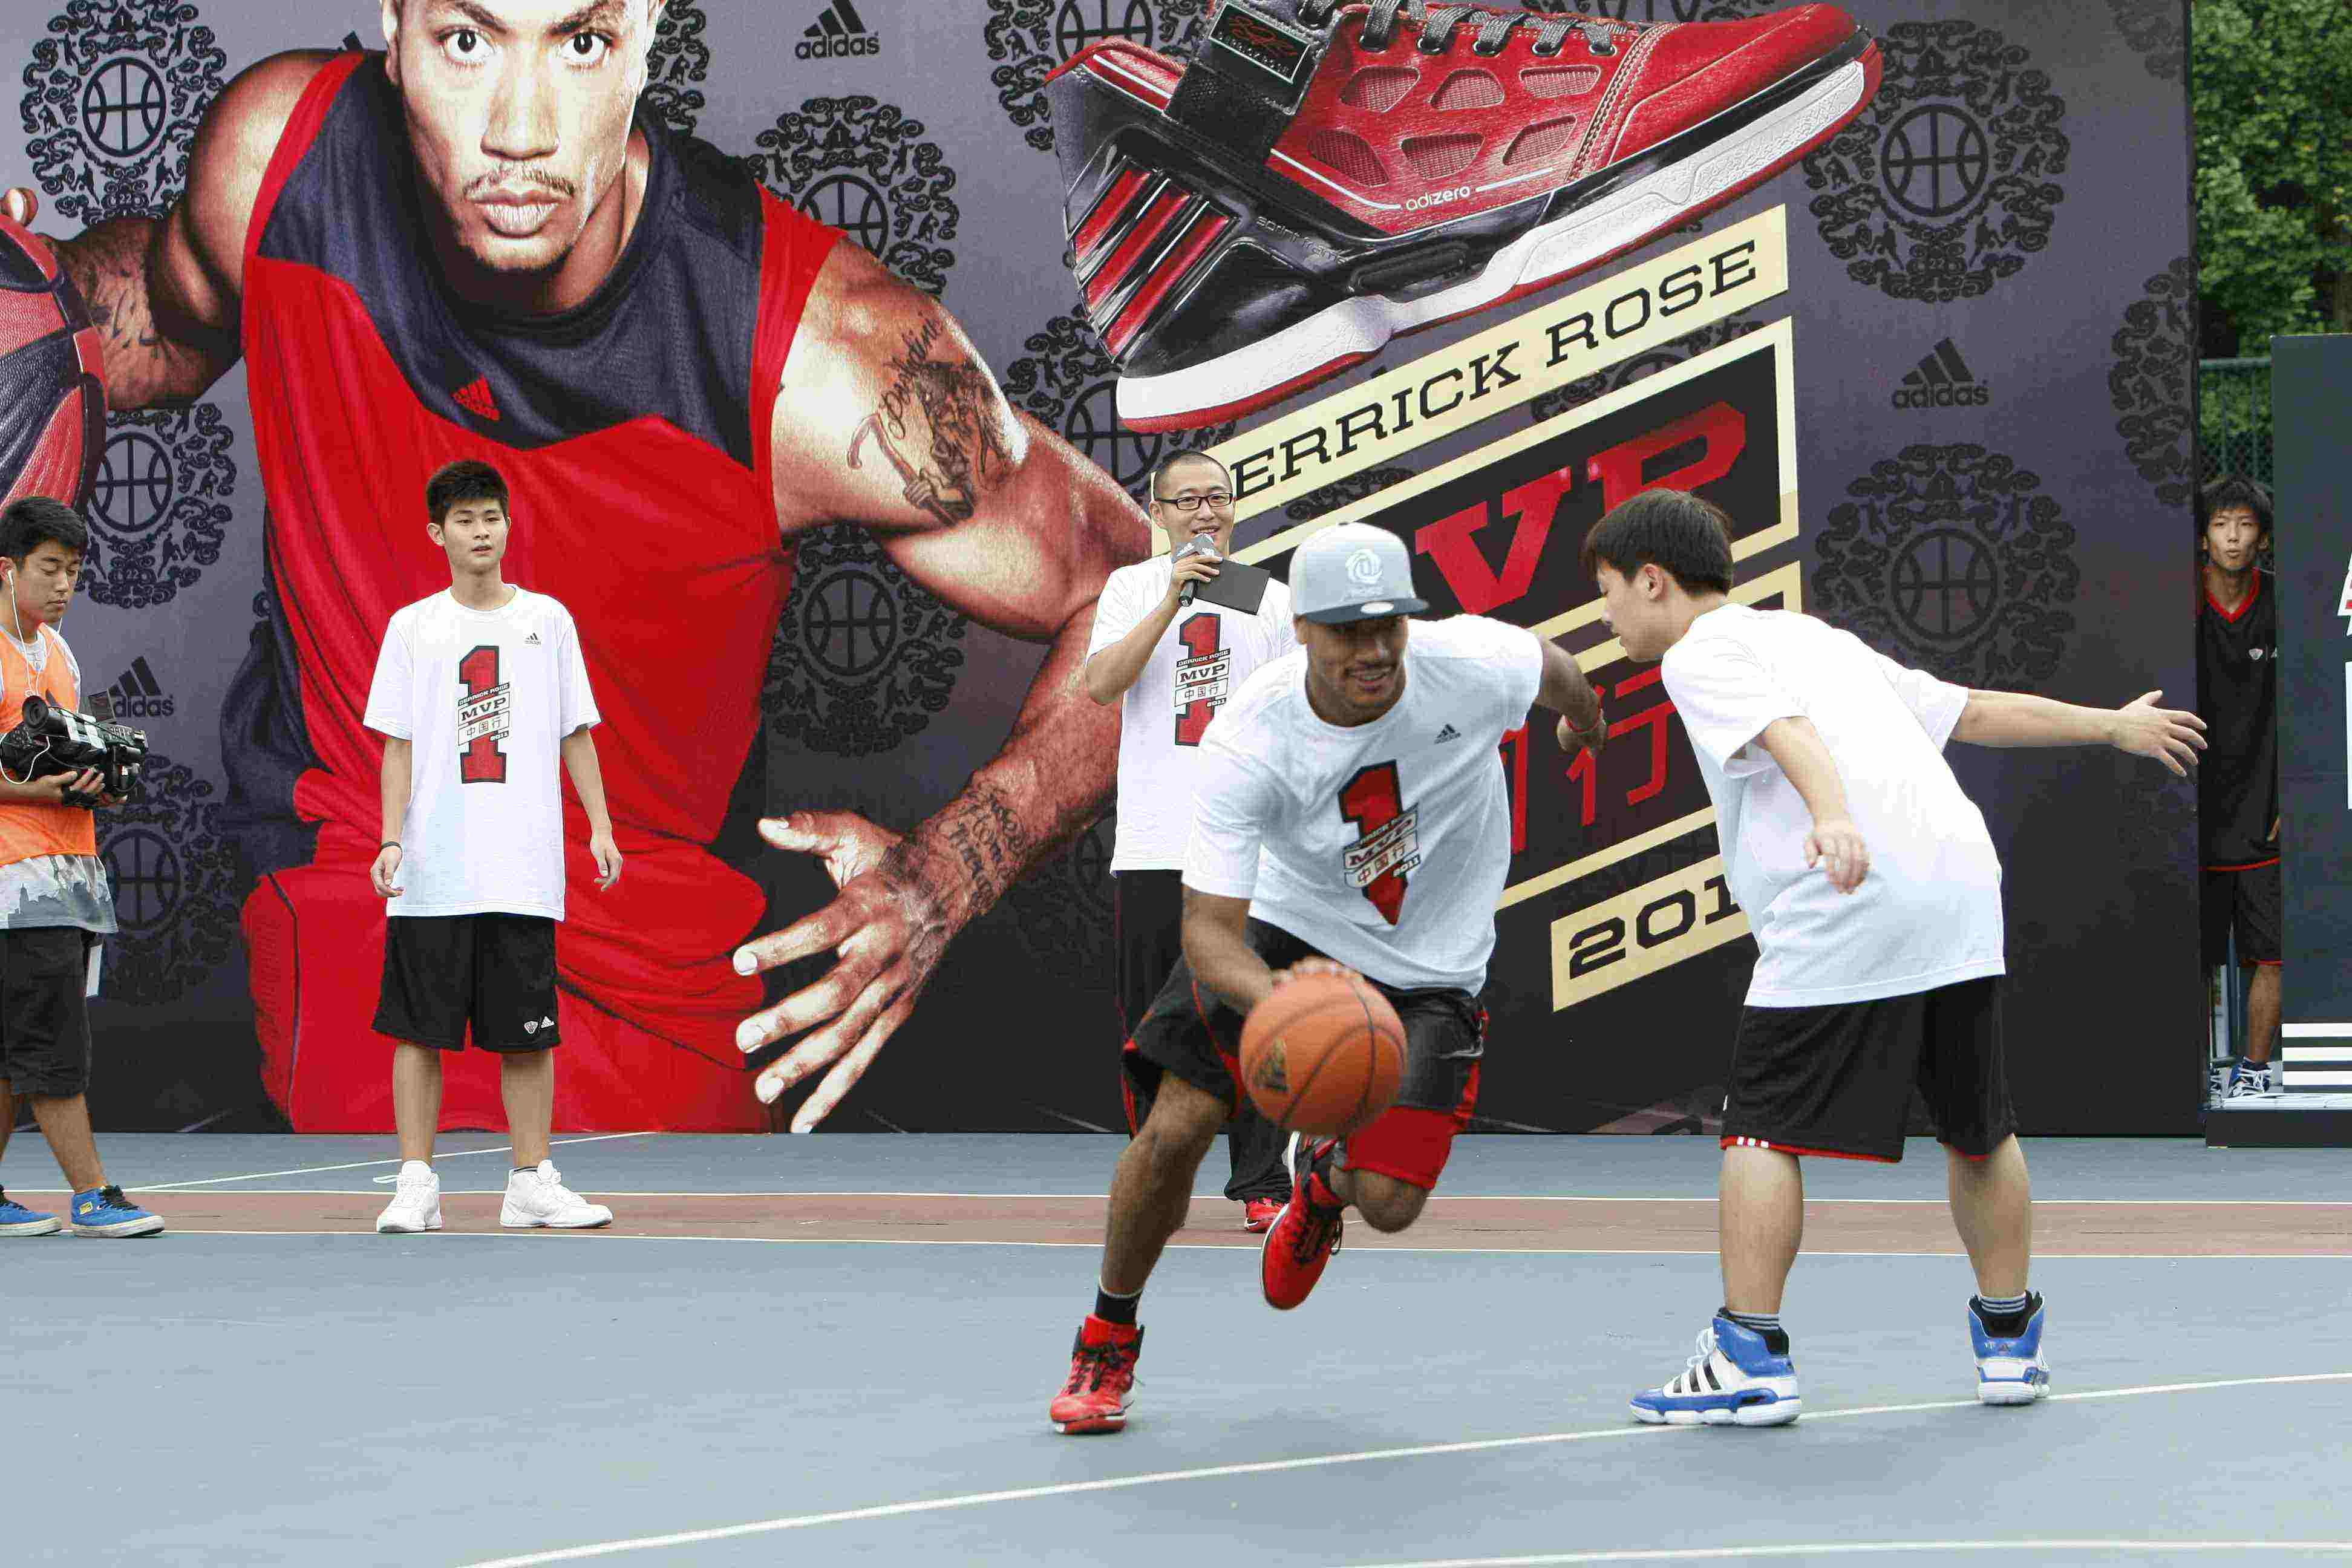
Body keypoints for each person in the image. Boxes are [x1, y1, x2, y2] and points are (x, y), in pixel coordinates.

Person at [3, 0, 1146, 1135]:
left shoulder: (823, 358)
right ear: (393, 28)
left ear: (649, 33)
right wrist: (28, 285)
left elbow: (1141, 586)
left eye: (581, 42)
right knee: (422, 1198)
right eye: (467, 41)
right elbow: (153, 319)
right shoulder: (278, 159)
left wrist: (948, 875)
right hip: (367, 872)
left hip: (662, 974)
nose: (520, 131)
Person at [1585, 489, 2204, 1426]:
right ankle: (2010, 1343)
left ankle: (1748, 1358)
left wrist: (1834, 817)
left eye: (1606, 593)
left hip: (1849, 898)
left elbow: (1789, 737)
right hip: (1958, 890)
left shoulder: (1700, 651)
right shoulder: (1816, 641)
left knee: (1760, 1130)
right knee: (1978, 1128)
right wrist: (2110, 726)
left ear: (1652, 580)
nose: (1605, 616)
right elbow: (1974, 711)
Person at [1049, 521, 1609, 1434]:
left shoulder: (1470, 662)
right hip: (1286, 929)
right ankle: (1108, 1334)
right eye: (1347, 630)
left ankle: (1320, 1186)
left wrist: (1582, 720)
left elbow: (1557, 670)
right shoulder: (1252, 736)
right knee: (1176, 1127)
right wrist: (1290, 1006)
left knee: (1390, 1204)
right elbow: (1209, 932)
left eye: (1389, 625)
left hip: (1432, 965)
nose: (1374, 650)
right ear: (1302, 629)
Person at [368, 460, 621, 1234]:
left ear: (509, 525)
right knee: (419, 1032)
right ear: (436, 533)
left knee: (528, 1036)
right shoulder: (413, 627)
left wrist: (601, 825)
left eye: (492, 517)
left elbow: (576, 731)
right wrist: (390, 838)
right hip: (433, 867)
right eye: (466, 519)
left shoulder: (549, 621)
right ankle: (416, 1185)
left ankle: (530, 1182)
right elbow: (398, 746)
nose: (482, 532)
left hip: (522, 865)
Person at [1083, 451, 1292, 1230]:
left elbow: (1297, 712)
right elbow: (1102, 685)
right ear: (1158, 512)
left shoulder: (1270, 598)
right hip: (1153, 841)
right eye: (1188, 501)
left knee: (1256, 1015)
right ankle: (1155, 1180)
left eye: (1218, 498)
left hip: (1244, 847)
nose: (1205, 513)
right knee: (1151, 1025)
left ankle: (1264, 1181)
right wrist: (1172, 600)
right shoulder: (1131, 589)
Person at [0, 498, 163, 1240]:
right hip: (17, 880)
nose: (64, 585)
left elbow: (71, 757)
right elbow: (29, 777)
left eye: (72, 570)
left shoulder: (60, 653)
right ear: (9, 570)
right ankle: (93, 1195)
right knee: (52, 1045)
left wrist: (101, 782)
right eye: (49, 569)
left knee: (11, 1054)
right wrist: (34, 790)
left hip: (68, 878)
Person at [2193, 476, 2281, 1102]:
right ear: (2203, 536)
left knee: (2270, 954)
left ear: (2263, 538)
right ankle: (2192, 1072)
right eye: (2221, 523)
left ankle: (2252, 1072)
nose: (2232, 537)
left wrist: (2294, 795)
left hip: (2264, 810)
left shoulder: (2283, 604)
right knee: (2191, 957)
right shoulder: (2175, 603)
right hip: (2191, 809)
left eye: (2245, 525)